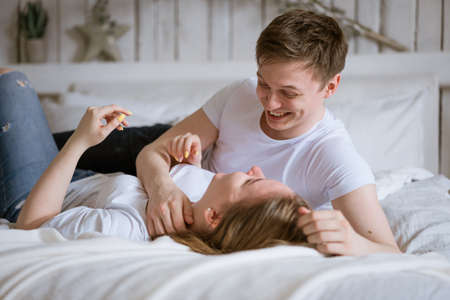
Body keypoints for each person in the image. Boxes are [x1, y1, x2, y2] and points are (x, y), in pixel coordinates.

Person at [135, 10, 402, 256]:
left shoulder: (336, 159)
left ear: (330, 87)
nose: (270, 104)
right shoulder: (240, 94)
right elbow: (152, 152)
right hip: (178, 159)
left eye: (288, 93)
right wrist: (162, 189)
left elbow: (389, 252)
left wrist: (354, 243)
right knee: (112, 138)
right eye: (263, 84)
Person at [0, 69, 311, 255]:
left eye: (250, 181)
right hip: (85, 179)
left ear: (215, 217)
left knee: (12, 84)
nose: (253, 169)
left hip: (34, 196)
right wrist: (189, 165)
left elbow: (31, 225)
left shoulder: (127, 227)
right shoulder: (200, 210)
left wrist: (79, 142)